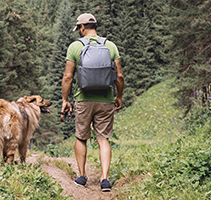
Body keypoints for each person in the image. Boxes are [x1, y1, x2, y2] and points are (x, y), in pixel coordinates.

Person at [61, 13, 124, 192]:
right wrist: (118, 96)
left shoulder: (75, 46)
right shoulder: (110, 46)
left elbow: (68, 77)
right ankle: (104, 179)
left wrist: (65, 100)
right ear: (95, 26)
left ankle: (82, 176)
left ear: (82, 28)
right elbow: (119, 76)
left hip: (83, 99)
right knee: (103, 139)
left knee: (81, 137)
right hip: (105, 100)